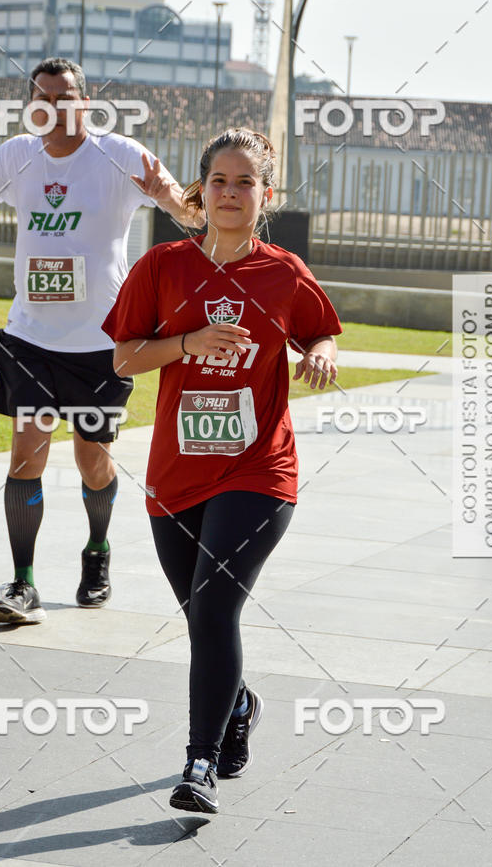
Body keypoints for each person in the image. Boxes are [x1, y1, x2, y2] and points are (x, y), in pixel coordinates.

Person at [102, 128, 341, 814]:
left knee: (215, 605)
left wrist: (320, 351)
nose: (231, 193)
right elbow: (124, 360)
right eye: (219, 181)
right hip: (177, 474)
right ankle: (238, 706)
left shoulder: (284, 272)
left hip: (259, 469)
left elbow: (319, 327)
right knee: (203, 619)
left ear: (265, 195)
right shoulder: (162, 267)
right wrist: (188, 342)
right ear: (200, 190)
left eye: (245, 183)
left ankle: (198, 763)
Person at [0, 56, 203, 624]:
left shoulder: (120, 155)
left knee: (93, 462)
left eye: (64, 97)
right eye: (43, 98)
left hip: (104, 344)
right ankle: (23, 584)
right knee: (26, 455)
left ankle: (97, 550)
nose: (53, 108)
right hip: (31, 337)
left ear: (86, 101)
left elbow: (191, 217)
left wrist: (170, 196)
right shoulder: (17, 154)